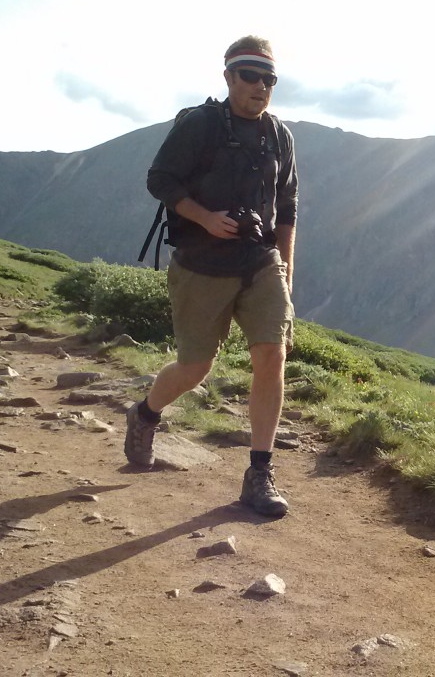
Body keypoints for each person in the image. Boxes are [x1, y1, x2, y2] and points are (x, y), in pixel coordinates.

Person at [124, 35, 298, 517]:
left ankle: (258, 474)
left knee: (271, 355)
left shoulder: (279, 136)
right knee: (195, 368)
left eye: (269, 79)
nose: (261, 87)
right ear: (228, 76)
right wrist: (203, 217)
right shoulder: (200, 124)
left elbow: (287, 210)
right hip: (201, 264)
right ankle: (145, 414)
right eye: (250, 76)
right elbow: (159, 178)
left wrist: (286, 273)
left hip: (260, 263)